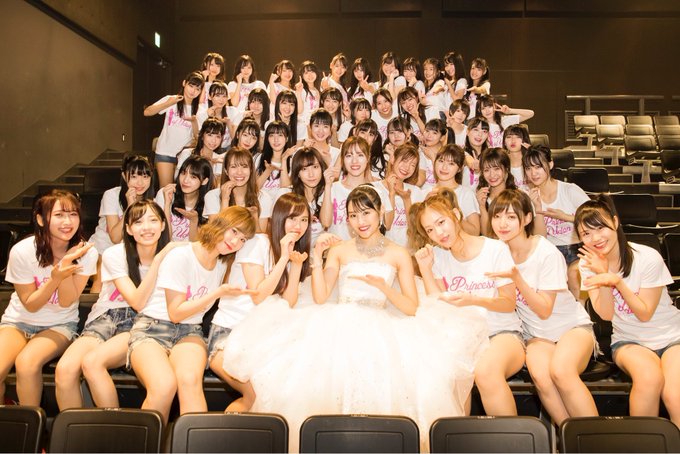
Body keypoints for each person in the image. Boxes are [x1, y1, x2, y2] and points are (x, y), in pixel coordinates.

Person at [222, 185, 488, 452]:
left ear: (379, 212)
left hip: (382, 327)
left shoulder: (397, 253)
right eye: (353, 215)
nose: (360, 221)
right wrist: (317, 259)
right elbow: (320, 296)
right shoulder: (339, 250)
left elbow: (410, 307)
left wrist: (384, 289)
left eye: (366, 213)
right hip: (338, 326)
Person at [127, 206, 256, 424]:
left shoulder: (221, 264)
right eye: (234, 231)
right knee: (163, 385)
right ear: (220, 224)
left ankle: (194, 441)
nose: (235, 242)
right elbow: (175, 312)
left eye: (242, 239)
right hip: (152, 328)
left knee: (189, 380)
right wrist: (217, 292)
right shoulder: (182, 255)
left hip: (190, 331)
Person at [489, 189, 597, 425]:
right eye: (497, 216)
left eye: (510, 217)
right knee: (541, 377)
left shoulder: (545, 252)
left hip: (571, 327)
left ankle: (593, 439)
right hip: (536, 335)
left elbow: (545, 309)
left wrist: (517, 279)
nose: (502, 224)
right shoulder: (496, 251)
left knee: (561, 371)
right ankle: (569, 436)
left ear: (527, 218)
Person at [412, 191, 523, 417]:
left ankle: (509, 436)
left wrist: (474, 300)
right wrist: (425, 269)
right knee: (444, 374)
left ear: (455, 214)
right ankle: (458, 436)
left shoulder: (495, 249)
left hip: (501, 333)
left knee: (485, 371)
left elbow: (508, 303)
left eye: (441, 222)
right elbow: (438, 305)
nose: (439, 233)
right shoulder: (438, 257)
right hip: (462, 338)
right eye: (430, 230)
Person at [55, 200, 174, 409]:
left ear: (163, 225)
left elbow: (139, 306)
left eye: (153, 220)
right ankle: (75, 429)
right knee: (64, 370)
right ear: (128, 228)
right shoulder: (115, 254)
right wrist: (159, 261)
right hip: (106, 318)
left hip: (140, 323)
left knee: (92, 362)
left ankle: (114, 425)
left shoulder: (173, 258)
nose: (146, 227)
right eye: (138, 222)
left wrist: (160, 258)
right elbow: (136, 299)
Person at [576, 195, 680, 428]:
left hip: (673, 336)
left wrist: (617, 281)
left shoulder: (647, 257)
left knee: (675, 394)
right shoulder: (587, 264)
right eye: (586, 233)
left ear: (615, 222)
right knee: (649, 378)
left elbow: (645, 313)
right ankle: (644, 443)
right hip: (629, 340)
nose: (595, 238)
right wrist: (603, 276)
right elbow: (606, 314)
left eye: (600, 228)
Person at [209, 193, 311, 411]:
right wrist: (284, 258)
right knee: (255, 395)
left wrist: (296, 265)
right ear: (279, 218)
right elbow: (258, 295)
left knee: (288, 386)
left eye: (304, 220)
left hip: (261, 334)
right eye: (292, 218)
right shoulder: (256, 242)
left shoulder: (289, 249)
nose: (298, 225)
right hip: (228, 333)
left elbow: (288, 302)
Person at [0, 190, 97, 406]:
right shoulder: (22, 251)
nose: (67, 222)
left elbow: (66, 301)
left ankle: (30, 423)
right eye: (59, 215)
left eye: (73, 214)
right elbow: (31, 304)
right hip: (18, 321)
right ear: (41, 219)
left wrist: (65, 266)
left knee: (27, 363)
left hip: (59, 324)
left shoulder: (86, 252)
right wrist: (55, 277)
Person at [524, 145, 589, 299]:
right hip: (549, 251)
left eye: (538, 167)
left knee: (574, 275)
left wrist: (566, 217)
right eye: (528, 168)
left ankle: (581, 312)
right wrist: (538, 208)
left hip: (576, 248)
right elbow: (541, 238)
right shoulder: (528, 197)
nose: (533, 173)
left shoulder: (569, 190)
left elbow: (596, 218)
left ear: (550, 164)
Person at [89, 154, 154, 292]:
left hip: (132, 249)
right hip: (104, 246)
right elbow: (115, 237)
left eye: (145, 176)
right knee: (101, 281)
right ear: (124, 176)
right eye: (134, 176)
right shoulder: (112, 195)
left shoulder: (152, 201)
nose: (140, 183)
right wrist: (130, 206)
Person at [144, 71, 204, 188]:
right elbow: (147, 112)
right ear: (184, 83)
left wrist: (194, 122)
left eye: (197, 89)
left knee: (183, 190)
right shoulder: (171, 99)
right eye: (191, 86)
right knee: (166, 189)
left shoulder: (200, 110)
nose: (193, 91)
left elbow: (198, 137)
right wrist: (168, 103)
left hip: (185, 155)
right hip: (165, 152)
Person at [322, 137, 388, 240]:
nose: (354, 161)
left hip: (367, 249)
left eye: (360, 155)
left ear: (368, 158)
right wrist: (327, 186)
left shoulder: (378, 190)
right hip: (337, 248)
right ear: (342, 159)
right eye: (349, 155)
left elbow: (386, 225)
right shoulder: (332, 188)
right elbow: (326, 223)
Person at [204, 147, 273, 233]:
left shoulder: (263, 198)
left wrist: (254, 217)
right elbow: (217, 233)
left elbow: (261, 237)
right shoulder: (212, 196)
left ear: (251, 170)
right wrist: (225, 200)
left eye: (244, 166)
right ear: (226, 170)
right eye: (234, 167)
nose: (239, 172)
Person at [278, 147, 332, 246]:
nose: (311, 174)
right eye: (304, 169)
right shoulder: (287, 194)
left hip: (320, 250)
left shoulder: (327, 193)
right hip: (293, 249)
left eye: (315, 167)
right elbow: (278, 228)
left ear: (322, 168)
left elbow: (326, 223)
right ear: (298, 173)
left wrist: (328, 185)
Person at [373, 144, 423, 248]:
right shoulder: (375, 189)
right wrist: (391, 194)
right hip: (382, 250)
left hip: (408, 250)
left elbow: (415, 229)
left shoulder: (415, 192)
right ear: (393, 159)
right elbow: (386, 226)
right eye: (404, 161)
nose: (407, 167)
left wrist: (407, 200)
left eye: (412, 165)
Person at [424, 145, 481, 236]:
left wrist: (452, 215)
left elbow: (475, 232)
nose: (444, 167)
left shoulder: (466, 194)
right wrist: (424, 206)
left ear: (460, 169)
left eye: (451, 164)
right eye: (441, 161)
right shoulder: (425, 193)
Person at [156, 155, 213, 242]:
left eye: (193, 177)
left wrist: (194, 221)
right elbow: (164, 239)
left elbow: (195, 244)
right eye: (183, 173)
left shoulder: (208, 203)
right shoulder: (165, 193)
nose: (185, 180)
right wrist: (167, 204)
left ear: (204, 181)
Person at [476, 148, 517, 236]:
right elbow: (486, 234)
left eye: (496, 169)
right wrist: (482, 206)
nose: (492, 175)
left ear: (506, 169)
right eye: (486, 170)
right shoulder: (480, 197)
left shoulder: (517, 197)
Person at [177, 117, 226, 186]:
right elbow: (178, 178)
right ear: (202, 135)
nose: (213, 140)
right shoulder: (187, 154)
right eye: (210, 135)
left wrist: (211, 165)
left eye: (218, 136)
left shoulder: (219, 160)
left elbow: (215, 187)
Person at [503, 124, 531, 191]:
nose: (513, 141)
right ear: (504, 142)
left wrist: (533, 152)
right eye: (509, 137)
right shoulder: (501, 162)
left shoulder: (532, 162)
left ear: (525, 140)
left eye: (518, 137)